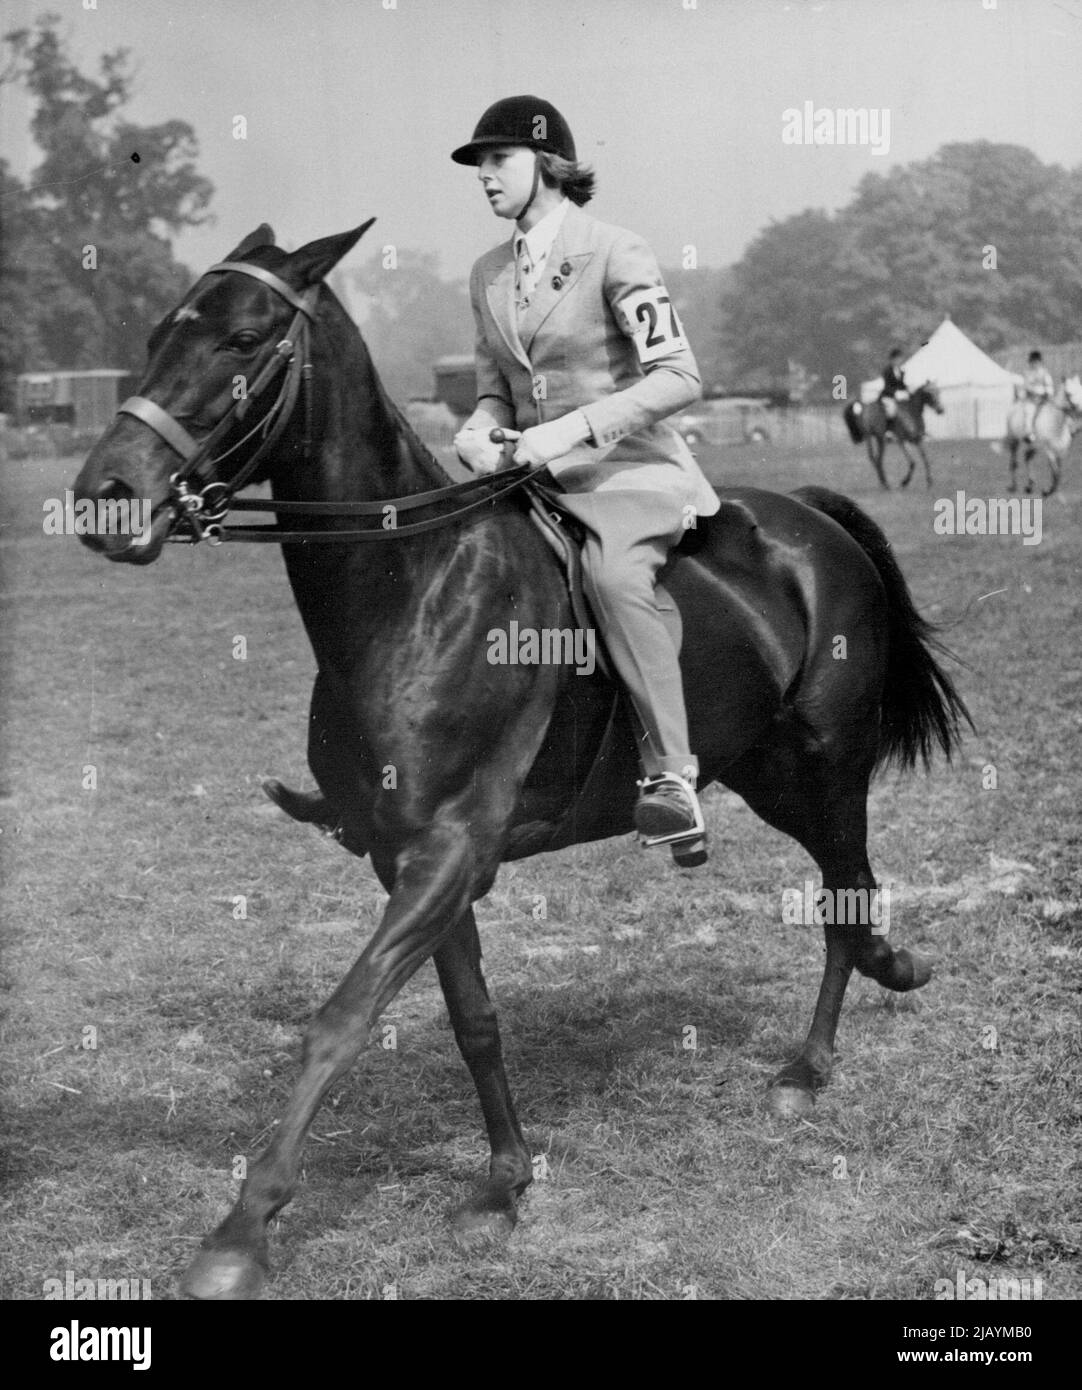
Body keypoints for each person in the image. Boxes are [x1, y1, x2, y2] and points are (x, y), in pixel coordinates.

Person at [451, 95, 720, 859]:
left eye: (498, 160)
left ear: (549, 165)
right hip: (532, 483)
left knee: (610, 580)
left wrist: (570, 431)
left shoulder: (617, 250)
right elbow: (493, 392)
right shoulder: (486, 274)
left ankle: (673, 779)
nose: (484, 176)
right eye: (478, 165)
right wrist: (476, 435)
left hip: (629, 477)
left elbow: (679, 375)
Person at [1021, 350, 1054, 442]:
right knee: (1029, 413)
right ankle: (1029, 433)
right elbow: (1026, 386)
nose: (1035, 364)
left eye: (1036, 362)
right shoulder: (1027, 373)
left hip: (1044, 399)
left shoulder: (1044, 372)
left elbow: (1049, 384)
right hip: (1032, 400)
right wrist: (1034, 392)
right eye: (1033, 362)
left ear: (1039, 362)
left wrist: (1048, 393)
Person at [878, 348, 909, 428]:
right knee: (891, 410)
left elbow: (901, 384)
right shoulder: (887, 371)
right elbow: (887, 385)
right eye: (899, 358)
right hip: (888, 396)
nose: (901, 360)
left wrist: (908, 389)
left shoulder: (901, 371)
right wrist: (895, 392)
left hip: (900, 396)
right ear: (893, 359)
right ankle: (889, 430)